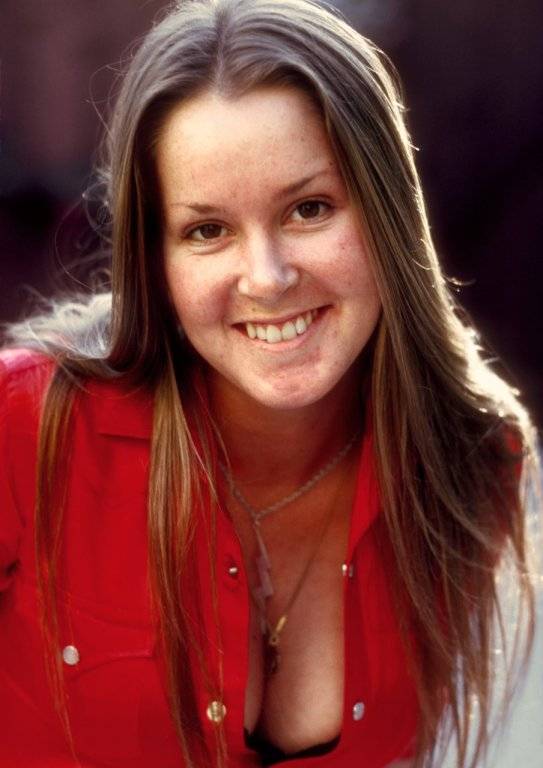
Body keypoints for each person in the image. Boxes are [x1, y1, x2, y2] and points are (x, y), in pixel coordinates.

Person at [0, 0, 539, 766]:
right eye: (207, 230)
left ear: (386, 214)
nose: (267, 277)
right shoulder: (25, 426)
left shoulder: (472, 464)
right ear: (155, 261)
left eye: (308, 209)